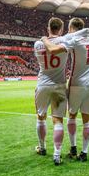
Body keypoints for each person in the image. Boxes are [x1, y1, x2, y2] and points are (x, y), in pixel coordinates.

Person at [41, 18, 89, 162]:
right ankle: (84, 153)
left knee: (72, 116)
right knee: (87, 120)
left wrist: (45, 40)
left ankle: (73, 149)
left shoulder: (74, 40)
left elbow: (53, 49)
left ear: (71, 28)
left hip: (77, 84)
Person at [34, 17, 69, 166]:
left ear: (48, 28)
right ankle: (57, 154)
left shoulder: (37, 44)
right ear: (61, 29)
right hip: (59, 85)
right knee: (58, 120)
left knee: (41, 117)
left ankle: (42, 148)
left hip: (42, 84)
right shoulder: (65, 43)